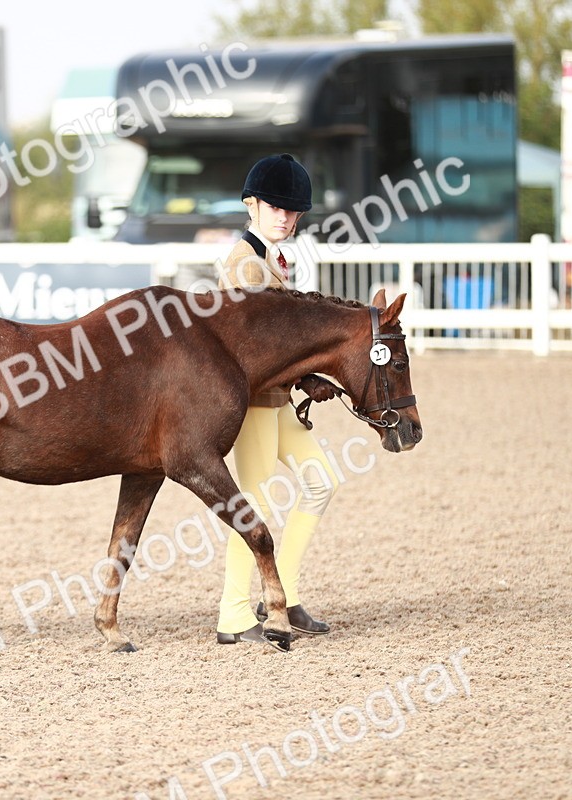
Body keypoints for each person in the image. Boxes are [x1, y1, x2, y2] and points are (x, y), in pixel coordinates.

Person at [214, 153, 342, 646]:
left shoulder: (271, 259)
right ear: (252, 205)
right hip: (253, 402)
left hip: (278, 400)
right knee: (254, 505)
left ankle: (281, 593)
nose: (286, 218)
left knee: (321, 481)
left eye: (293, 211)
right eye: (276, 208)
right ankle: (232, 614)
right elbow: (262, 342)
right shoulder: (245, 264)